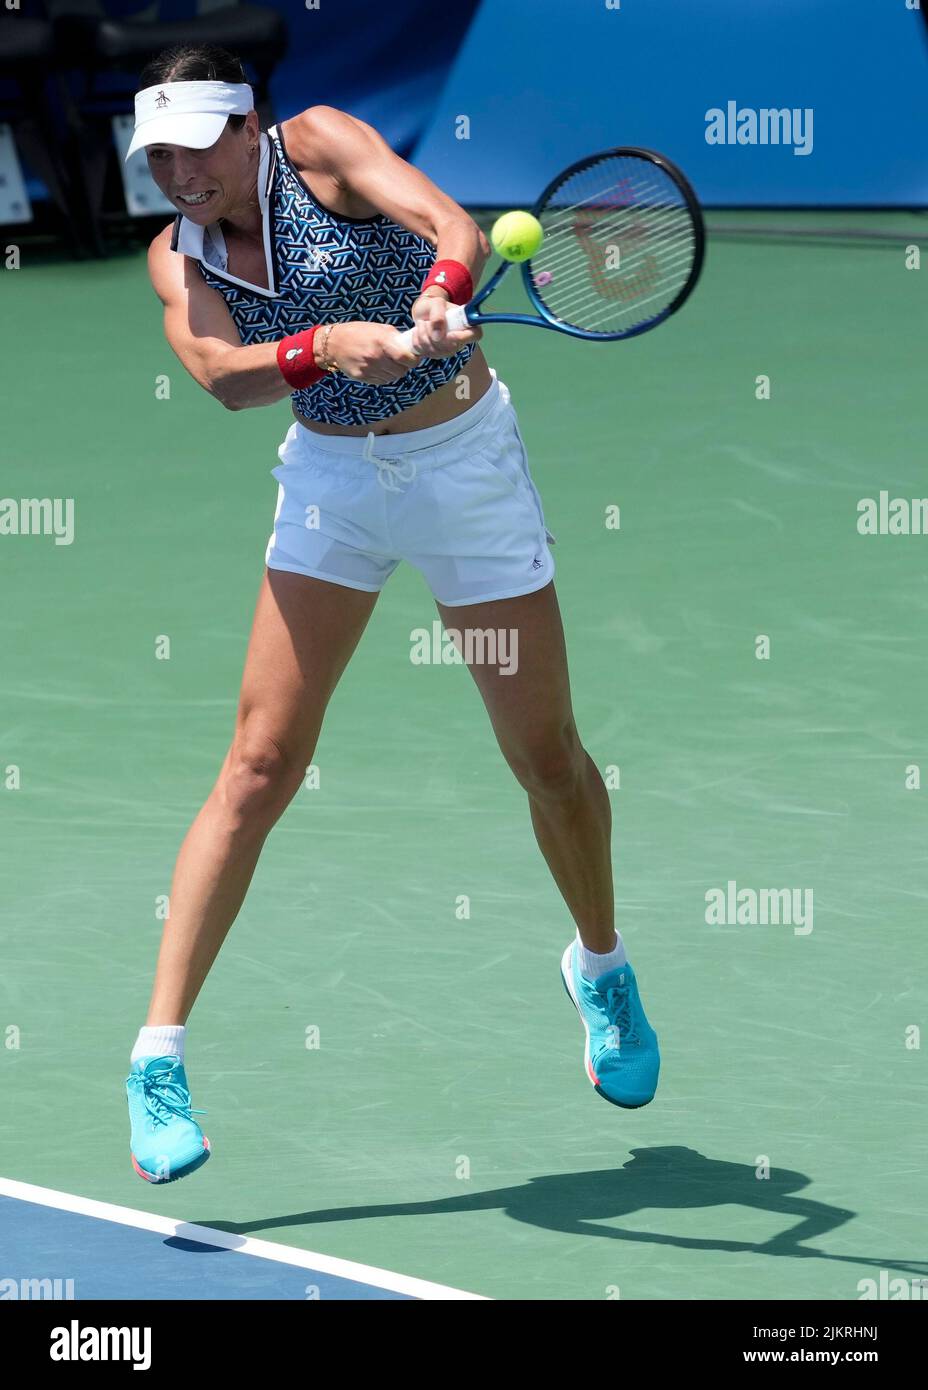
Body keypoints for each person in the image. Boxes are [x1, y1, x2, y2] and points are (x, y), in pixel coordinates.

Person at [124, 43, 660, 1184]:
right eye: (157, 156)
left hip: (465, 473)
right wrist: (328, 347)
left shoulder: (315, 147)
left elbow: (453, 228)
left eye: (193, 148)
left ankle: (601, 967)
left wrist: (437, 297)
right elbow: (222, 374)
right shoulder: (179, 255)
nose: (177, 175)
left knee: (547, 759)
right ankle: (157, 1054)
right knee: (259, 764)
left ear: (245, 126)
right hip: (334, 492)